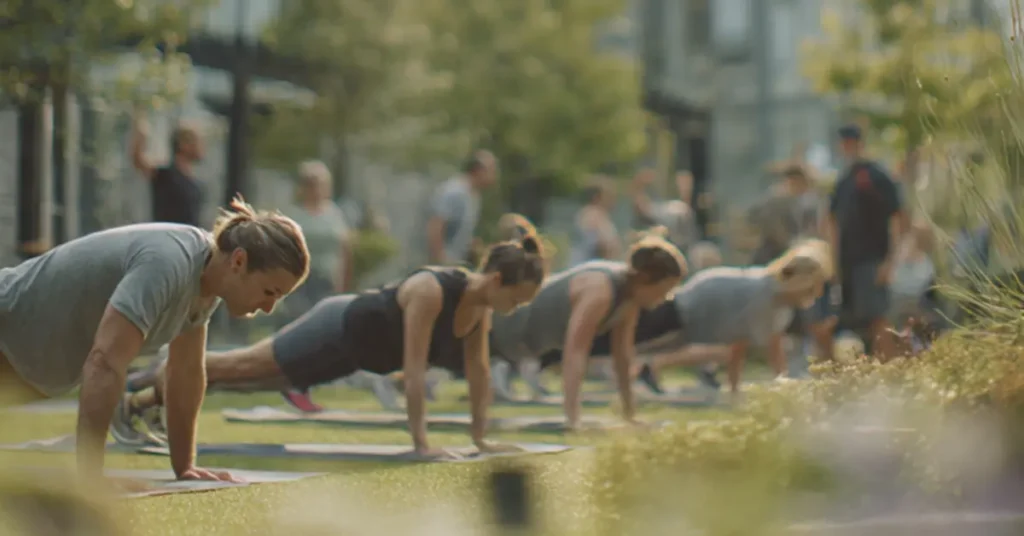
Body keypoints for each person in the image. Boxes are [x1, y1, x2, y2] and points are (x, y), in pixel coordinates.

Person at [118, 225, 547, 459]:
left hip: (349, 357)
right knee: (233, 368)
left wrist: (480, 439)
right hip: (335, 328)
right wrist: (421, 445)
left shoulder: (480, 315)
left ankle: (137, 405)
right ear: (495, 280)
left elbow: (480, 374)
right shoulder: (432, 291)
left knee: (240, 380)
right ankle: (132, 385)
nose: (516, 308)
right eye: (518, 298)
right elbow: (413, 372)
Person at [0, 197, 310, 485]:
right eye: (270, 292)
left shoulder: (205, 283)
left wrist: (184, 466)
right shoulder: (168, 263)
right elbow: (105, 362)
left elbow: (185, 372)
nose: (269, 308)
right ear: (239, 261)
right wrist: (91, 480)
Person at [489, 232, 687, 429]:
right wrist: (573, 419)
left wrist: (629, 415)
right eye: (664, 290)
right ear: (645, 278)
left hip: (518, 345)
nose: (666, 298)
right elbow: (574, 353)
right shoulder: (600, 291)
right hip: (504, 326)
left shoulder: (629, 299)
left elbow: (623, 356)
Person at [275, 160, 355, 413]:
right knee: (301, 334)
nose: (317, 189)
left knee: (324, 336)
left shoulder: (334, 214)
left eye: (321, 184)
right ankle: (294, 384)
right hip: (301, 283)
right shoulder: (295, 216)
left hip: (326, 281)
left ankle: (304, 385)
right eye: (313, 184)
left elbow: (345, 250)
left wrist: (343, 282)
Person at [829, 124, 906, 358]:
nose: (846, 148)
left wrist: (890, 261)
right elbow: (832, 223)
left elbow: (898, 219)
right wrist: (834, 264)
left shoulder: (878, 176)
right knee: (859, 325)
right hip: (848, 263)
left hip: (873, 259)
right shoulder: (843, 181)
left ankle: (892, 372)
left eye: (849, 142)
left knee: (878, 320)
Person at [130, 110, 206, 226]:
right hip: (167, 239)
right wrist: (141, 130)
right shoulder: (165, 175)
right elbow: (138, 160)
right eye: (196, 142)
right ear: (183, 145)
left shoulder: (195, 184)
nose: (201, 148)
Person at [425, 150, 499, 265]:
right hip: (445, 268)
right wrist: (441, 258)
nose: (494, 176)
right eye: (492, 170)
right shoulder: (455, 192)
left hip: (457, 265)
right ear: (478, 170)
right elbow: (436, 224)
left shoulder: (474, 195)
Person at [569, 176, 622, 266]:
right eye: (609, 195)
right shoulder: (592, 215)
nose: (614, 199)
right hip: (590, 269)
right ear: (596, 197)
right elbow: (601, 245)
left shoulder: (599, 215)